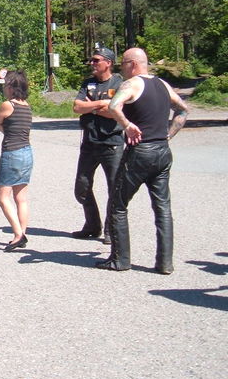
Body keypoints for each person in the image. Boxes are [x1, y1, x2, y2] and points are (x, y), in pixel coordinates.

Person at [96, 48, 189, 274]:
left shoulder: (132, 84)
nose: (122, 69)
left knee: (118, 205)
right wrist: (168, 134)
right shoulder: (163, 85)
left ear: (133, 64)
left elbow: (113, 105)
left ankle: (120, 259)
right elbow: (183, 110)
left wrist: (127, 125)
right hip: (163, 151)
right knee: (162, 208)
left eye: (123, 64)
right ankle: (165, 263)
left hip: (140, 152)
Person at [71, 47, 123, 242]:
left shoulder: (119, 83)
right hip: (89, 143)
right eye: (91, 60)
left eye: (96, 60)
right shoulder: (88, 83)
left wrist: (90, 107)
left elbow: (116, 111)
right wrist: (101, 106)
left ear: (108, 63)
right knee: (81, 187)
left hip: (112, 143)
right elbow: (77, 107)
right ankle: (93, 226)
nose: (92, 64)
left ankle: (112, 230)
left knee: (114, 189)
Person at [0, 70, 33, 252]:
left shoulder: (8, 105)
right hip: (27, 152)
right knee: (21, 198)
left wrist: (2, 127)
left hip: (12, 153)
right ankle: (21, 232)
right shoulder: (27, 106)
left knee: (2, 197)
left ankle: (18, 234)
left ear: (11, 87)